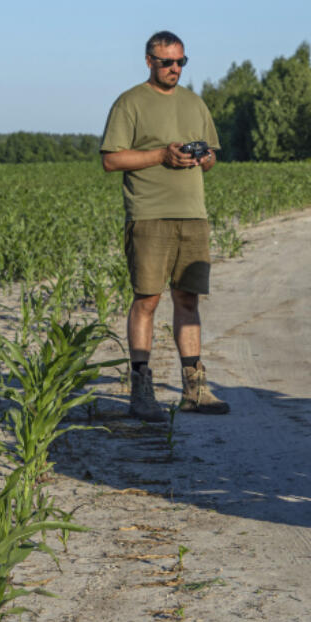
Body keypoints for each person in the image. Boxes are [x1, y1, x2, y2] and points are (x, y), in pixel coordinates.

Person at [100, 30, 230, 421]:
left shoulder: (195, 103)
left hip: (193, 214)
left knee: (188, 299)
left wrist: (204, 158)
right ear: (148, 61)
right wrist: (162, 155)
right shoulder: (130, 103)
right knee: (147, 299)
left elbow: (212, 157)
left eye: (180, 62)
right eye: (166, 62)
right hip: (148, 214)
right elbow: (111, 160)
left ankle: (194, 389)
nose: (174, 69)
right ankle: (142, 390)